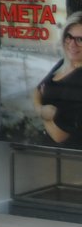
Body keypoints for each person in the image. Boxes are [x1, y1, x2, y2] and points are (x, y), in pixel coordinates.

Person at [33, 11, 82, 146]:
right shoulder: (63, 62)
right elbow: (37, 90)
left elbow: (59, 136)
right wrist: (42, 111)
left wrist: (42, 112)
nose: (72, 44)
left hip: (69, 155)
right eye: (69, 36)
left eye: (80, 39)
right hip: (45, 151)